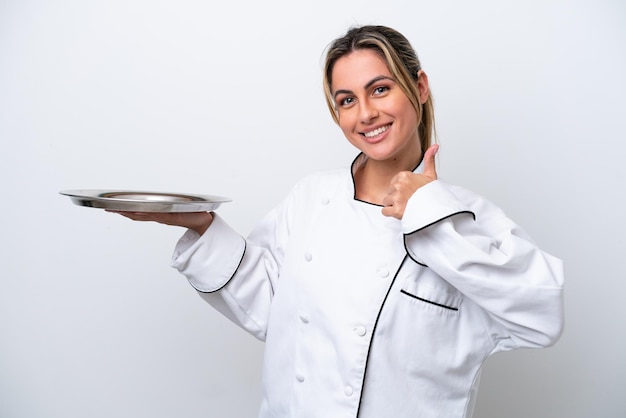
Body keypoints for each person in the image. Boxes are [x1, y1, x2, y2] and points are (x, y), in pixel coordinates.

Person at [112, 25, 565, 418]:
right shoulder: (312, 197)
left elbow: (541, 316)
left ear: (420, 86)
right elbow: (273, 306)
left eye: (380, 89)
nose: (365, 113)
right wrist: (202, 225)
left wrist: (428, 213)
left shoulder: (465, 217)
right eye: (347, 99)